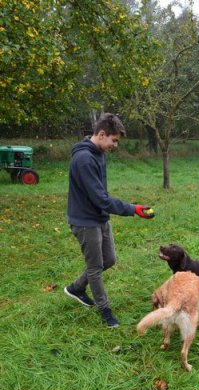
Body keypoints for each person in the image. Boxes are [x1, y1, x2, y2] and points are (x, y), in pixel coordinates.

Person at [64, 113, 152, 328]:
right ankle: (105, 312)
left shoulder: (98, 153)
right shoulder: (84, 159)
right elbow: (100, 198)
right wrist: (133, 209)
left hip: (99, 216)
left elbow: (100, 196)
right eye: (114, 140)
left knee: (109, 260)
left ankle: (76, 288)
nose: (115, 145)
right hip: (85, 221)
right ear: (101, 134)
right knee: (95, 267)